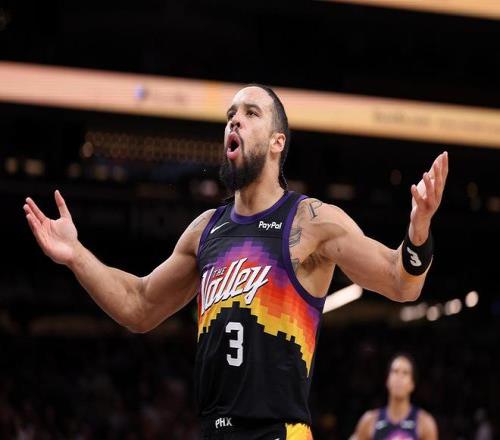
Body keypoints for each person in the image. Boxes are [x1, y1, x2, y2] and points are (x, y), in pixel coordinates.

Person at [23, 84, 448, 439]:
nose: (234, 121)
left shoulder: (311, 221)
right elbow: (138, 305)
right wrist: (76, 255)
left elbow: (401, 282)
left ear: (277, 142)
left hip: (279, 431)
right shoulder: (205, 229)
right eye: (230, 114)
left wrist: (419, 231)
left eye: (250, 113)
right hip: (215, 431)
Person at [352, 353, 438, 440]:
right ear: (387, 380)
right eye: (395, 371)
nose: (399, 378)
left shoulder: (424, 423)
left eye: (405, 373)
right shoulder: (369, 421)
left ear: (412, 384)